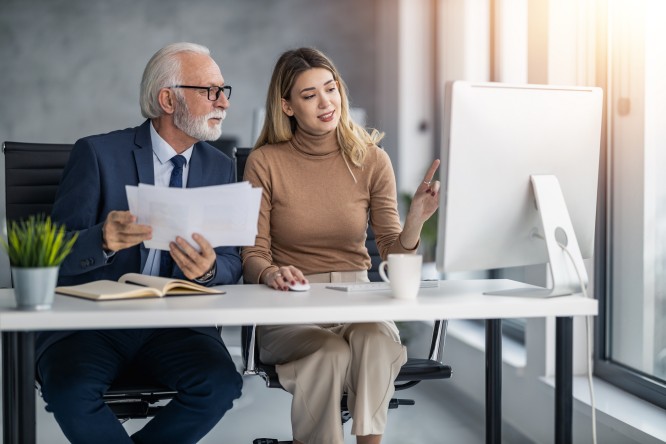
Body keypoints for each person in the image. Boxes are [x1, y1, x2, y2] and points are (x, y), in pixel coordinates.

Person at [37, 42, 243, 444]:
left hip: (175, 326)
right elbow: (48, 254)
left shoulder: (220, 166)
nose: (223, 103)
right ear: (168, 99)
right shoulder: (96, 153)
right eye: (210, 91)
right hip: (93, 324)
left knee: (220, 385)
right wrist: (102, 240)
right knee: (70, 391)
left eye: (224, 91)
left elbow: (232, 260)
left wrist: (210, 269)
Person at [241, 47, 440, 444]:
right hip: (291, 305)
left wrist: (415, 217)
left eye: (330, 89)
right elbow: (252, 253)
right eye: (309, 95)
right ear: (288, 106)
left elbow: (392, 251)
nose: (326, 102)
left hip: (356, 299)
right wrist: (271, 271)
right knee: (328, 351)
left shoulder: (372, 161)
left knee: (374, 340)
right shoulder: (265, 162)